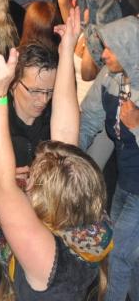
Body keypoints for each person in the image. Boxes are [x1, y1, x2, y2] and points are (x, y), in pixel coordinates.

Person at [0, 30, 111, 300]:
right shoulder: (91, 226)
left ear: (49, 198)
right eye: (35, 90)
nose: (43, 100)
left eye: (36, 178)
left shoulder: (50, 261)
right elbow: (66, 140)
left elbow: (1, 185)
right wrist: (66, 51)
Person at [79, 16, 139, 301]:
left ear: (129, 49)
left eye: (111, 48)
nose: (103, 54)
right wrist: (68, 158)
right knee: (128, 255)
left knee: (118, 255)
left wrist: (137, 126)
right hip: (125, 183)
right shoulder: (110, 77)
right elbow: (89, 120)